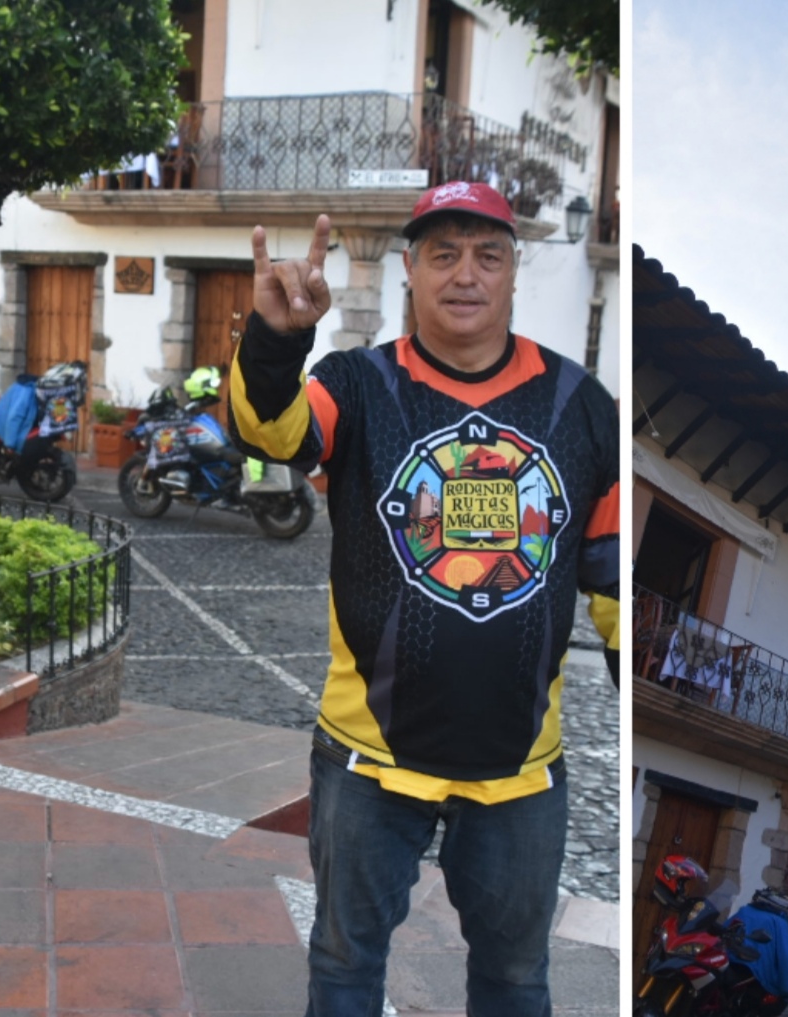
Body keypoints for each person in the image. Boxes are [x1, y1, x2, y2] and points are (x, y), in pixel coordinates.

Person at [228, 181, 620, 1017]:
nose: (464, 275)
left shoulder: (580, 406)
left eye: (487, 254)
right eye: (442, 253)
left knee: (515, 980)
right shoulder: (356, 383)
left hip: (520, 770)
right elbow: (272, 433)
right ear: (409, 269)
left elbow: (614, 578)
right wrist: (273, 341)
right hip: (369, 755)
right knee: (343, 965)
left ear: (517, 270)